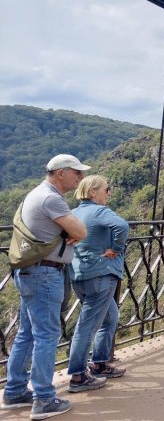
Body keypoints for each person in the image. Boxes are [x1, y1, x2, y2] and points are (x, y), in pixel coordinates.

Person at [2, 154, 89, 419]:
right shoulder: (51, 198)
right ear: (61, 172)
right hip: (44, 273)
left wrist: (68, 231)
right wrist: (71, 231)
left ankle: (15, 391)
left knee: (27, 333)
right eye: (77, 172)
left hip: (29, 271)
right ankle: (44, 399)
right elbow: (81, 232)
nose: (80, 177)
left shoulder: (36, 194)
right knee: (46, 335)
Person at [67, 175, 128, 393]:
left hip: (79, 275)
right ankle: (78, 376)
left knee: (110, 317)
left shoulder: (73, 213)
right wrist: (116, 249)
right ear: (93, 192)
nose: (109, 193)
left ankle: (100, 363)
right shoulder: (100, 211)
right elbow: (122, 226)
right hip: (101, 274)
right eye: (106, 189)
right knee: (87, 326)